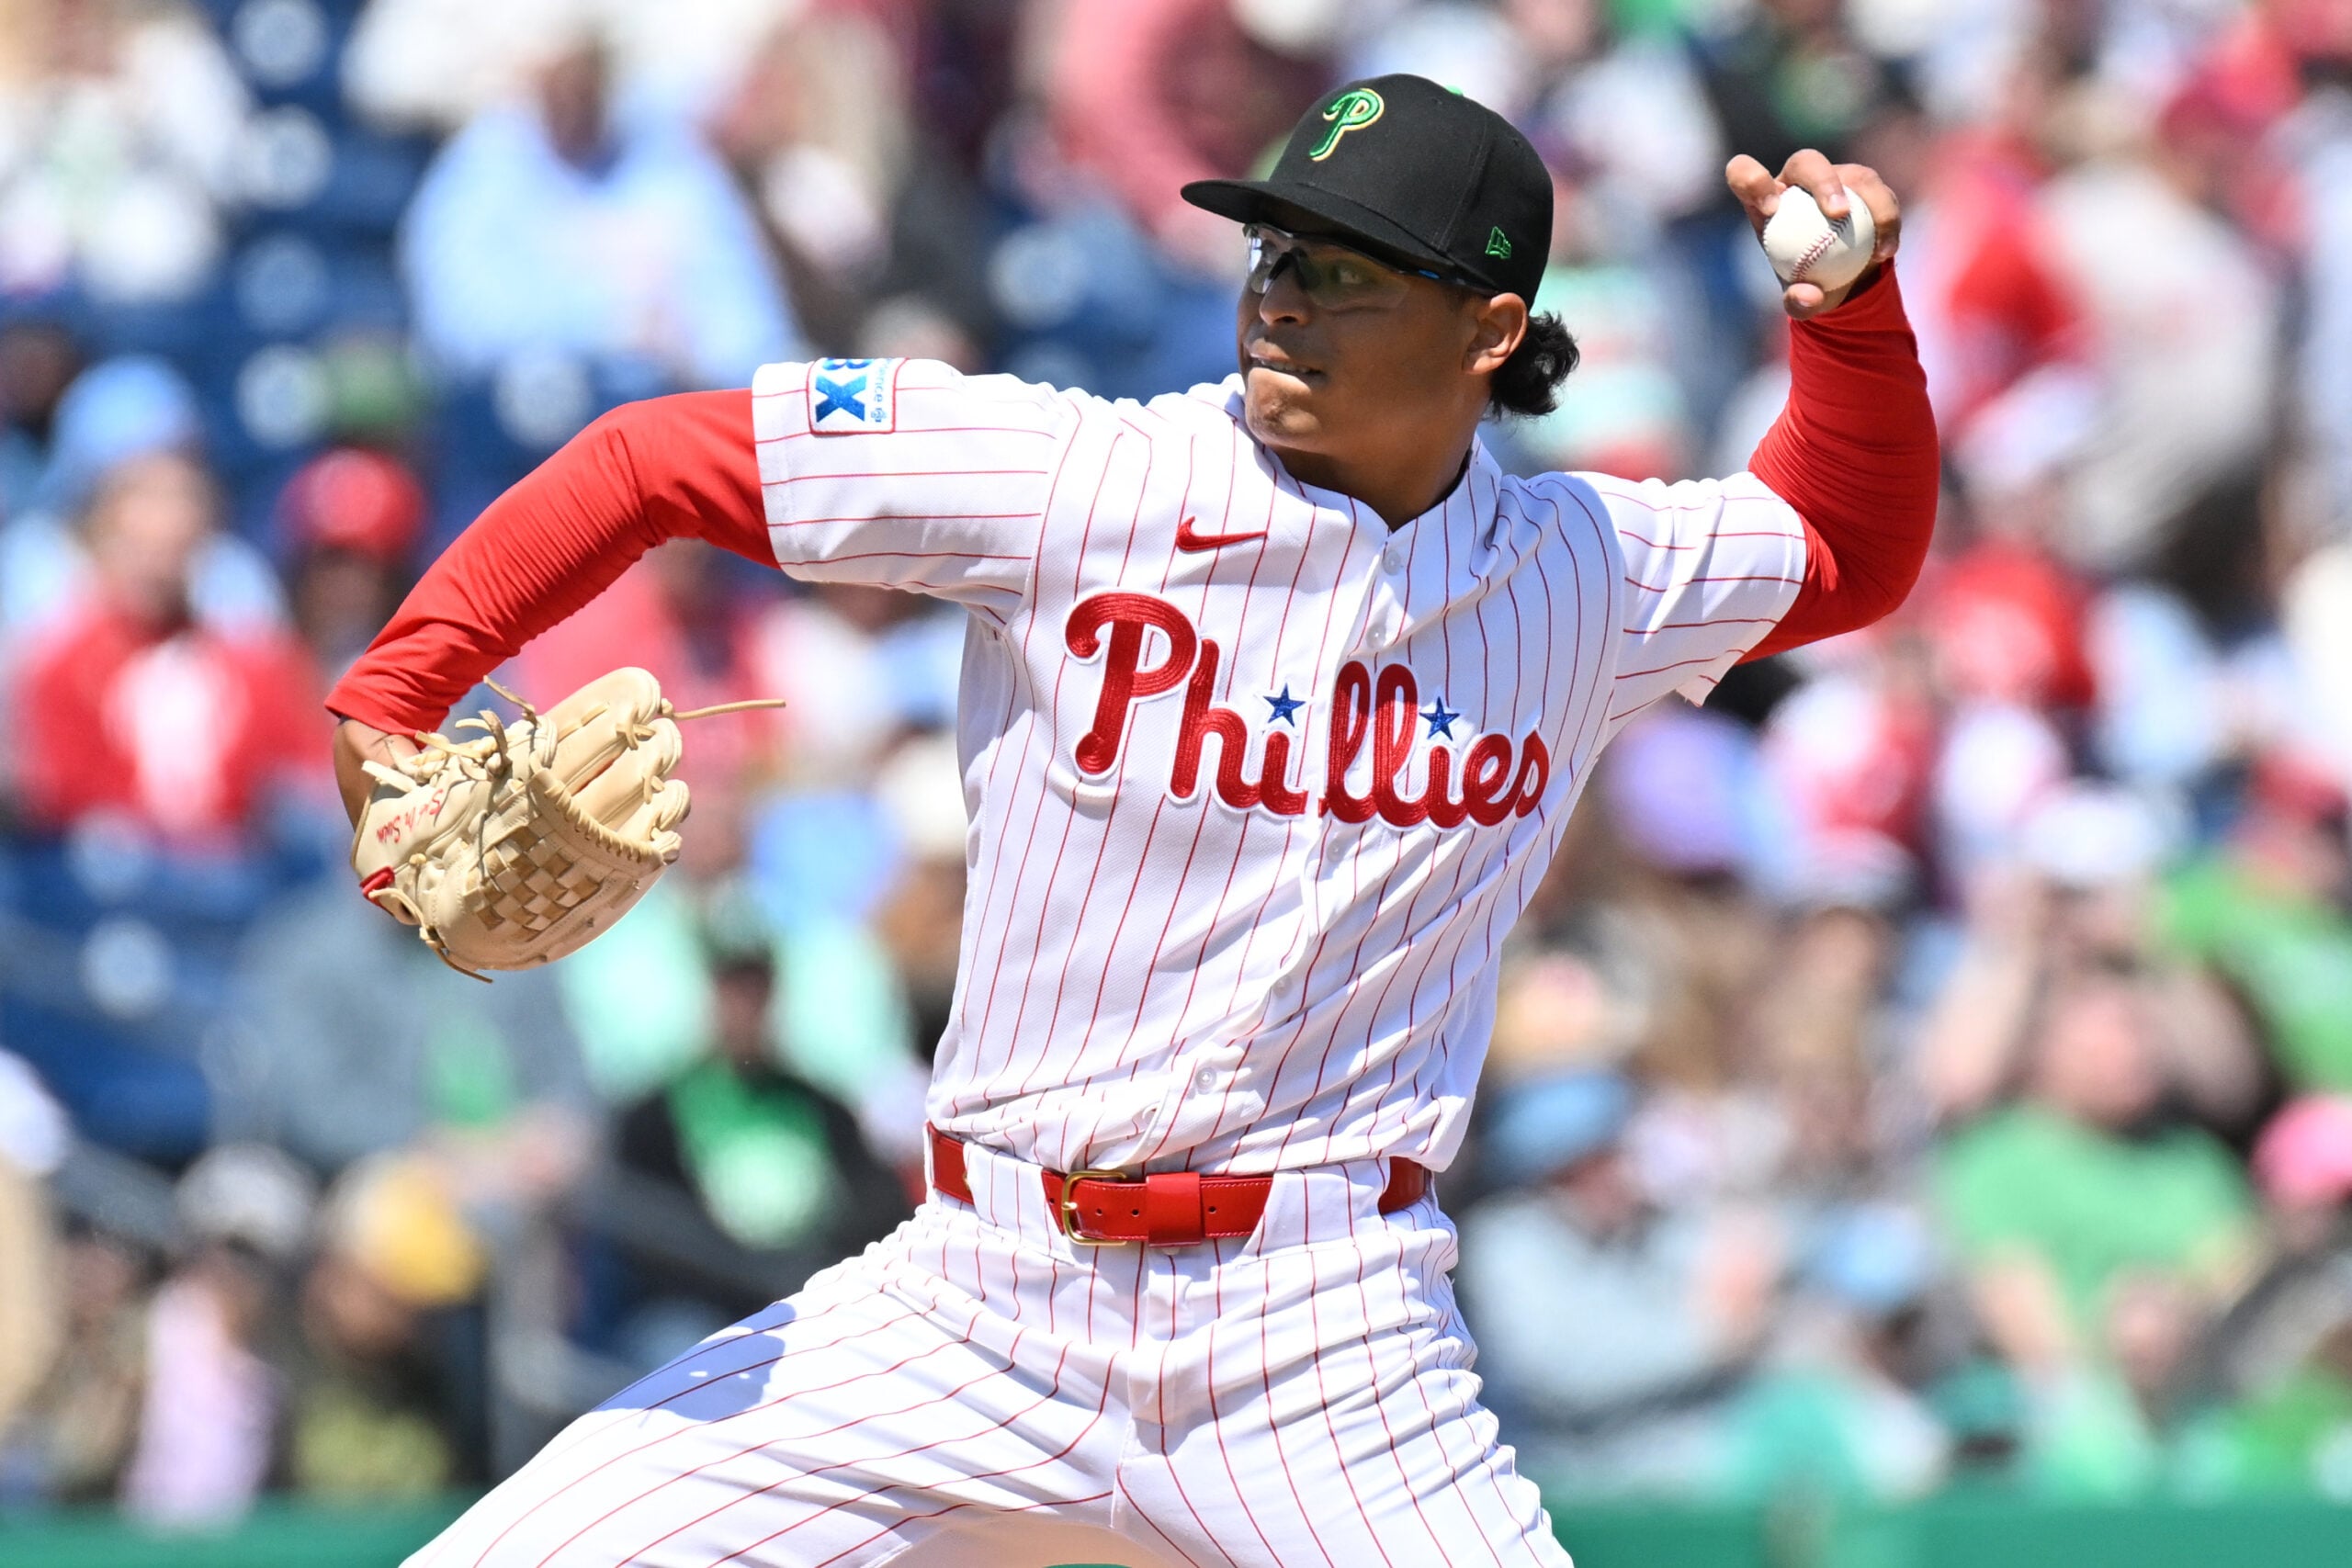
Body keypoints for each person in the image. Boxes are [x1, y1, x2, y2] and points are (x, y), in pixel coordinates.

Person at [328, 74, 1935, 1567]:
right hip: (977, 1291)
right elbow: (655, 460)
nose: (1284, 297)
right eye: (1274, 254)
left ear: (1488, 328)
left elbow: (1844, 548)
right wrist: (394, 694)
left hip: (1330, 1334)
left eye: (1348, 271)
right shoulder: (1077, 479)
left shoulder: (1588, 568)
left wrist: (1850, 323)